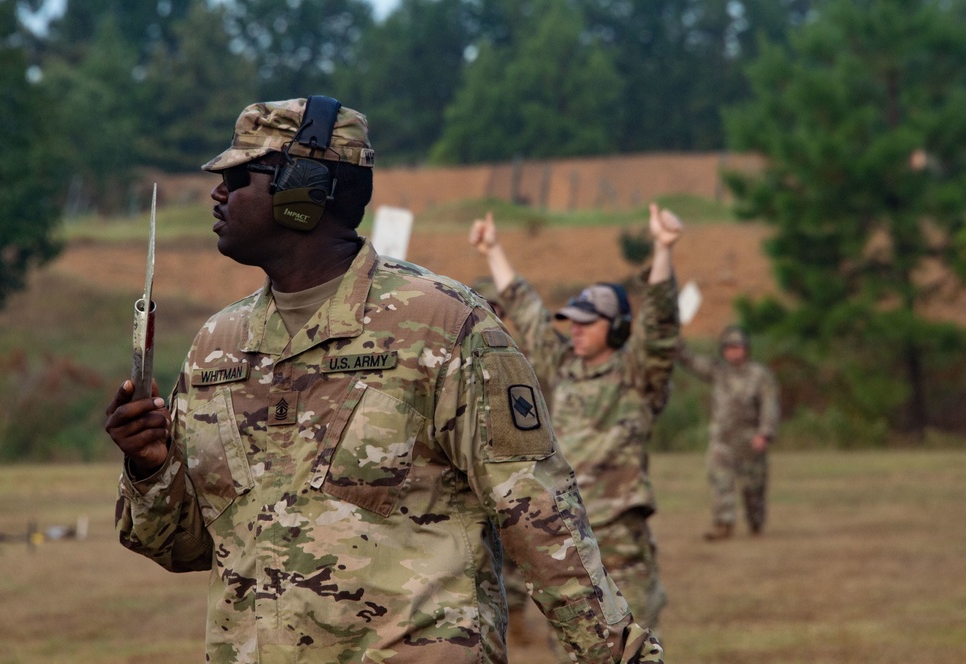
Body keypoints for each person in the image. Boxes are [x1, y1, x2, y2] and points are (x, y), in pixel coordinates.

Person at [104, 95, 663, 664]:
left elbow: (543, 522)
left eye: (240, 175)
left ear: (303, 190)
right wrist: (150, 467)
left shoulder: (443, 327)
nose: (218, 194)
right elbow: (185, 546)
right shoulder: (217, 349)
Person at [468, 205, 682, 631]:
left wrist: (663, 248)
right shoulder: (563, 365)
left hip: (619, 537)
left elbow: (659, 324)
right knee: (575, 646)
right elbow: (528, 315)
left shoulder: (637, 375)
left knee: (630, 646)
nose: (576, 329)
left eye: (588, 322)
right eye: (572, 322)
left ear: (617, 327)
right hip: (567, 534)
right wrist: (493, 251)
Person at [678, 325, 780, 540]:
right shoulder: (717, 372)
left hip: (750, 438)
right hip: (722, 439)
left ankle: (756, 521)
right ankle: (723, 523)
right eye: (728, 347)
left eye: (737, 347)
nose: (733, 352)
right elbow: (689, 361)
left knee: (754, 488)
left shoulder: (760, 375)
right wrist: (674, 337)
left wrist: (765, 433)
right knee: (720, 480)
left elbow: (770, 405)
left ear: (746, 349)